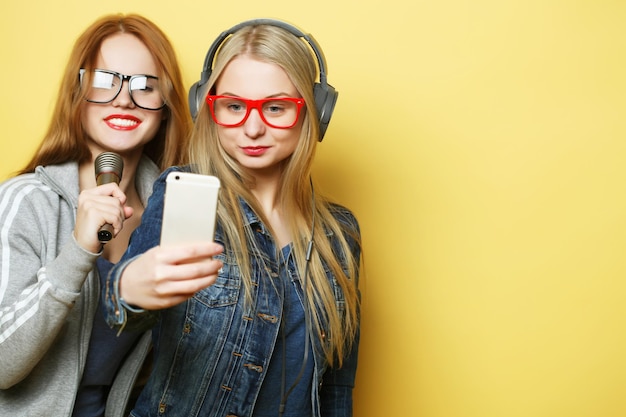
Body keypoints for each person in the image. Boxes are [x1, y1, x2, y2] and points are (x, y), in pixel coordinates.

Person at [103, 18, 362, 417]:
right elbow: (122, 312)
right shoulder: (183, 192)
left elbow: (337, 388)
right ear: (209, 107)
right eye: (234, 106)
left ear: (315, 111)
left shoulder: (340, 234)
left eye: (276, 107)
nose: (252, 128)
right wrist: (127, 289)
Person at [0, 13, 192, 417]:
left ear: (165, 104)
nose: (124, 98)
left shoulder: (174, 212)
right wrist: (77, 250)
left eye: (144, 85)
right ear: (78, 93)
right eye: (105, 80)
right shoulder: (27, 201)